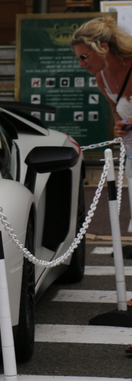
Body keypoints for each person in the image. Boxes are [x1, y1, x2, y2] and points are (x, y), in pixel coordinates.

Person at [73, 18, 132, 357]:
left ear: (103, 48)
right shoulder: (101, 78)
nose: (81, 64)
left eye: (84, 57)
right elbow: (115, 114)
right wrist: (120, 127)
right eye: (79, 58)